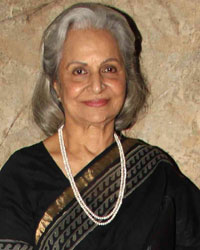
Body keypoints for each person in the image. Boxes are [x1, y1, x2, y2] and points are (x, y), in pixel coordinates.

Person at [0, 2, 200, 250]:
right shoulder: (22, 177)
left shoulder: (157, 174)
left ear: (126, 78)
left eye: (109, 68)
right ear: (56, 85)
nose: (97, 85)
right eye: (79, 71)